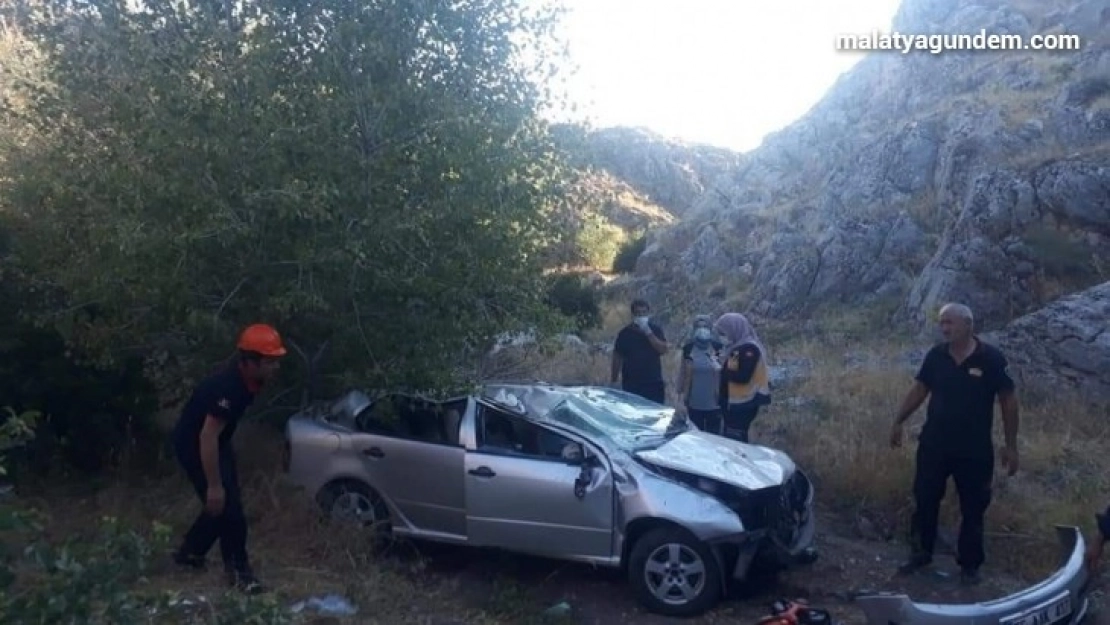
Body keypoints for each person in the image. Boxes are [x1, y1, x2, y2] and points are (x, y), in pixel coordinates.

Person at [890, 303, 1019, 585]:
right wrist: (898, 420)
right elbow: (920, 389)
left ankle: (970, 566)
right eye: (942, 323)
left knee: (973, 508)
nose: (944, 328)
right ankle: (920, 554)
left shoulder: (992, 359)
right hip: (934, 444)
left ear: (968, 325)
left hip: (974, 450)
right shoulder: (936, 356)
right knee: (924, 499)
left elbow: (1008, 402)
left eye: (950, 322)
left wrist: (1011, 445)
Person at [170, 323, 287, 594]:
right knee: (227, 508)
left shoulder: (251, 380)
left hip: (216, 443)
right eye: (270, 362)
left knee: (222, 503)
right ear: (249, 362)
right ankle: (239, 573)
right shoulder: (229, 387)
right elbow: (207, 436)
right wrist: (213, 484)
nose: (275, 368)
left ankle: (190, 554)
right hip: (196, 444)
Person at [713, 312, 771, 443]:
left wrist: (720, 369)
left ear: (734, 329)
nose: (723, 337)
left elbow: (742, 376)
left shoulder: (749, 349)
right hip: (734, 402)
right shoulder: (737, 348)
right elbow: (732, 368)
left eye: (724, 333)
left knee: (736, 440)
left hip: (743, 404)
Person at [611, 299, 669, 404]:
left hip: (653, 382)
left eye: (644, 313)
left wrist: (648, 332)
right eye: (638, 313)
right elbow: (617, 357)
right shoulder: (625, 333)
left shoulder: (656, 330)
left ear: (648, 313)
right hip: (632, 384)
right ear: (633, 315)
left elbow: (663, 350)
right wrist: (614, 380)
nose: (641, 316)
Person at [676, 314, 725, 434]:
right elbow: (683, 373)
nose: (702, 329)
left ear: (710, 328)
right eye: (698, 326)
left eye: (705, 326)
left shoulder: (718, 348)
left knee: (713, 436)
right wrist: (680, 397)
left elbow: (724, 373)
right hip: (694, 401)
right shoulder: (688, 348)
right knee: (695, 436)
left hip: (714, 402)